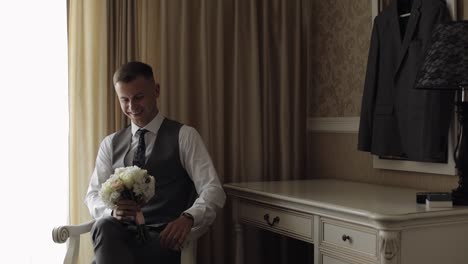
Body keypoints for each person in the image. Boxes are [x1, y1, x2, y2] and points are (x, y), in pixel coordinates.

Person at [85, 61, 226, 264]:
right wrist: (112, 212)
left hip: (160, 239)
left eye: (138, 97)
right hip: (117, 238)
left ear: (156, 90)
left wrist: (189, 217)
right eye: (124, 100)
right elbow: (93, 194)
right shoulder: (110, 143)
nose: (132, 107)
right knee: (103, 226)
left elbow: (213, 189)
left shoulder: (184, 136)